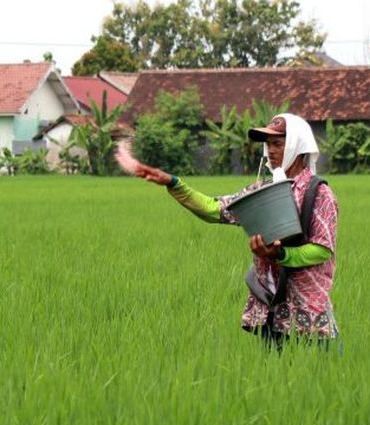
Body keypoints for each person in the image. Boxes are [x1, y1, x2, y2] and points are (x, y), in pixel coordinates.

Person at [132, 113, 340, 350]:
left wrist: (280, 255)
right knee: (275, 381)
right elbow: (215, 209)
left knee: (322, 373)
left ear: (297, 145)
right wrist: (174, 183)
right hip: (271, 308)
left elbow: (322, 249)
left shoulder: (319, 193)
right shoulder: (263, 190)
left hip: (309, 314)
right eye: (268, 144)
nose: (270, 151)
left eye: (277, 143)